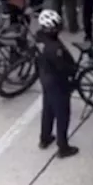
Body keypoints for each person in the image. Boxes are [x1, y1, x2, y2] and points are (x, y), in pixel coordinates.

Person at [34, 10, 81, 158]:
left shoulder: (39, 38)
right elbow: (63, 68)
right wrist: (73, 72)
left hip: (45, 78)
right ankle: (63, 147)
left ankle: (45, 138)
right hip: (57, 82)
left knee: (48, 109)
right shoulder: (55, 48)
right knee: (62, 114)